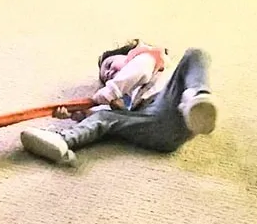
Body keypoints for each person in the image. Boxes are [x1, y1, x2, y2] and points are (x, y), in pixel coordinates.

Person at [20, 40, 218, 165]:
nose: (107, 73)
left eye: (108, 64)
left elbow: (138, 70)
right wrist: (74, 114)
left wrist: (109, 90)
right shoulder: (122, 95)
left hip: (173, 108)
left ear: (128, 53)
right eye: (104, 76)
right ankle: (63, 140)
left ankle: (196, 99)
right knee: (106, 117)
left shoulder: (147, 58)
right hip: (156, 133)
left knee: (196, 54)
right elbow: (99, 115)